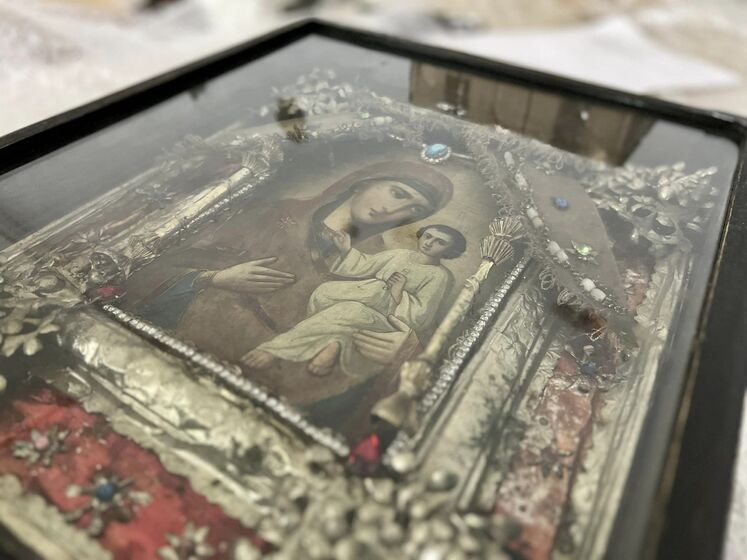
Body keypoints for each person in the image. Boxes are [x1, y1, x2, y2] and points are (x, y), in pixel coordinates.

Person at [122, 161, 454, 413]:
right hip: (164, 360)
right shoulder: (277, 215)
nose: (396, 210)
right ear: (364, 181)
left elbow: (396, 324)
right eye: (398, 193)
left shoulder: (380, 262)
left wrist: (403, 352)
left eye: (413, 209)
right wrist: (213, 278)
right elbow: (150, 271)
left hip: (275, 399)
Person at [243, 224, 467, 379]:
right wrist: (346, 250)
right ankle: (335, 342)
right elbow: (366, 264)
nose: (430, 243)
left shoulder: (439, 276)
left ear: (449, 250)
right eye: (428, 236)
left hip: (387, 316)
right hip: (364, 295)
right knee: (324, 293)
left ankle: (277, 349)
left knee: (349, 311)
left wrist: (398, 293)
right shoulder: (399, 254)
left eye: (439, 242)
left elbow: (422, 315)